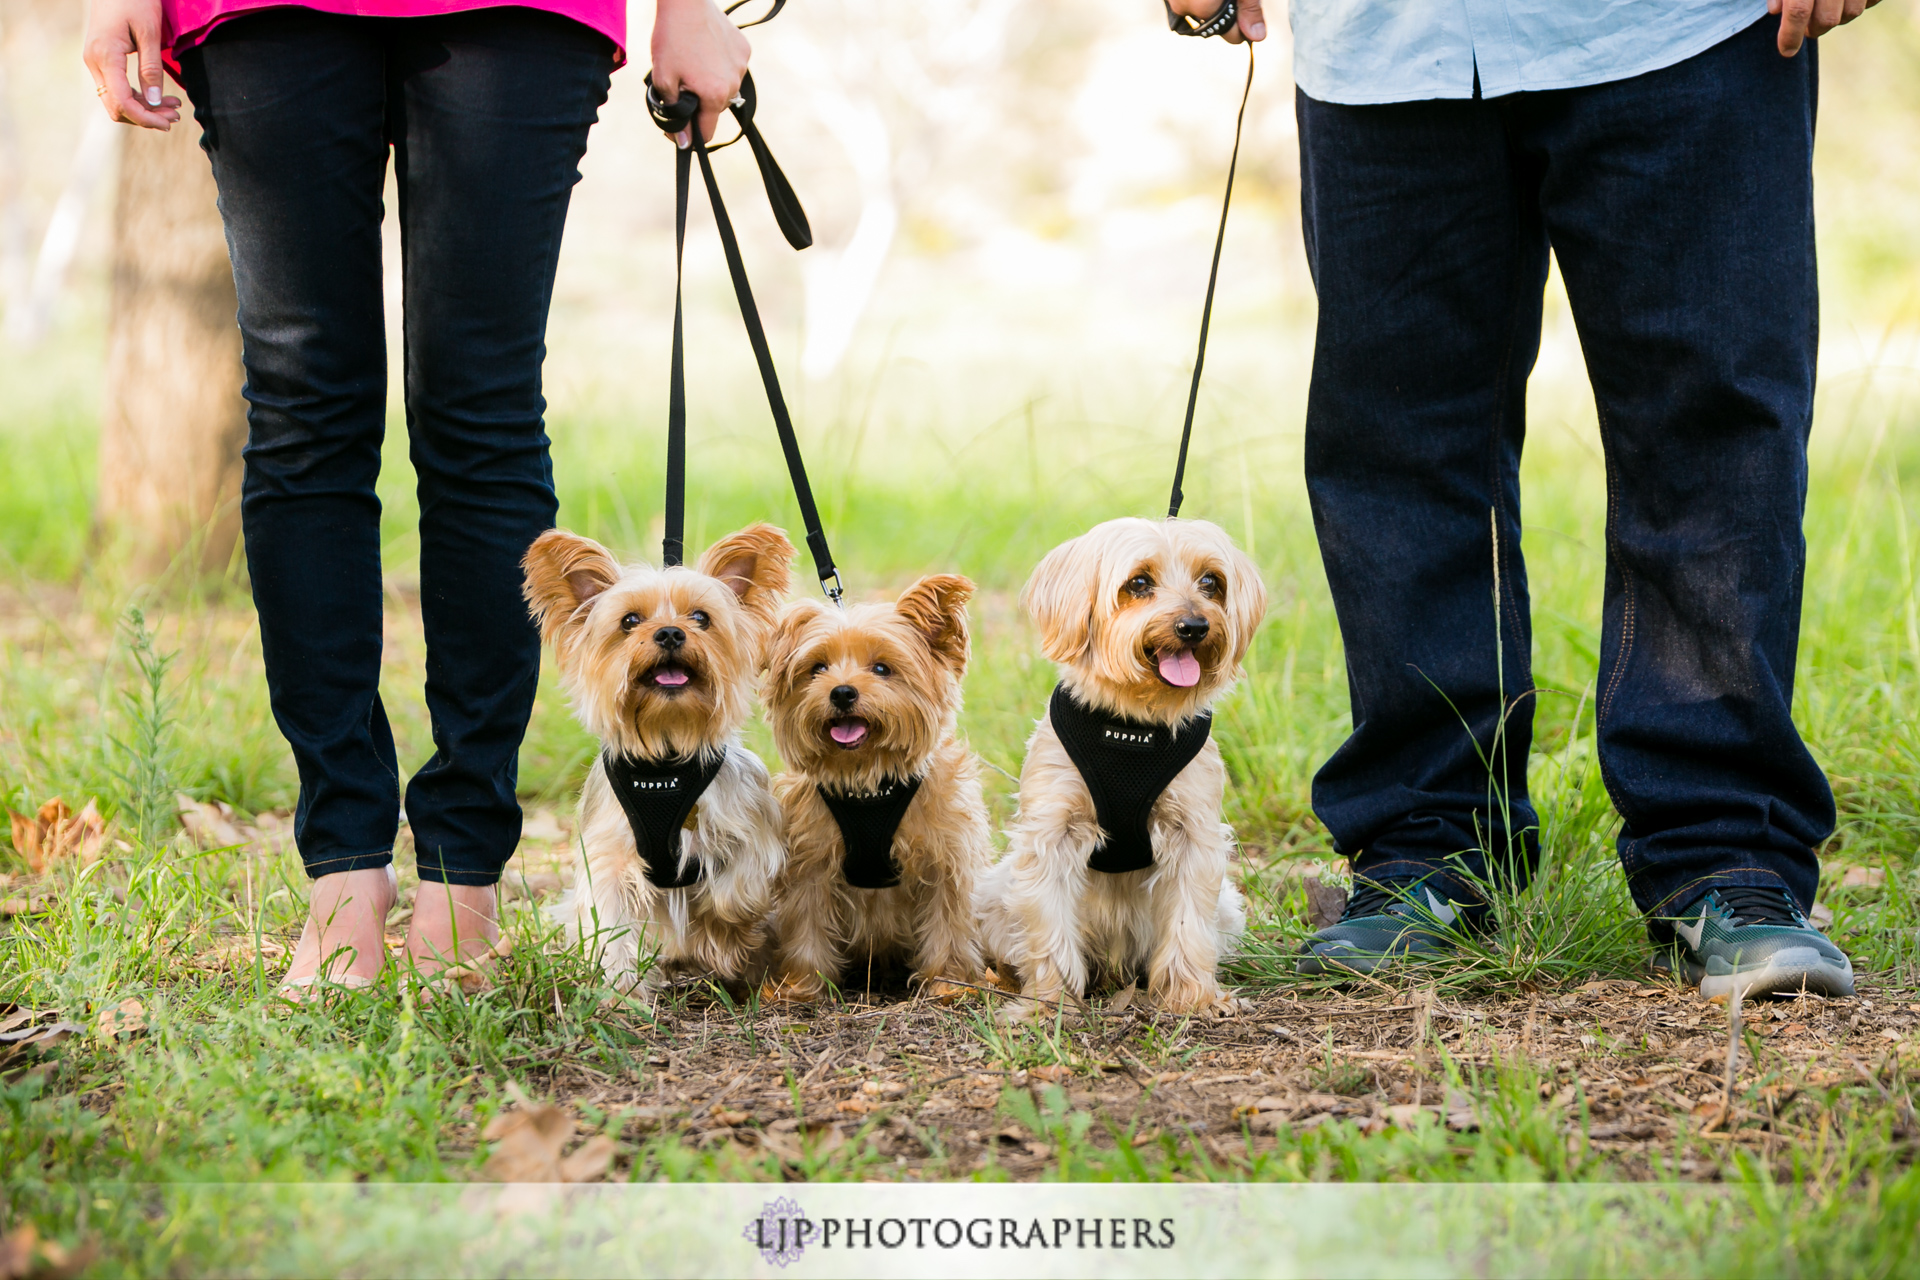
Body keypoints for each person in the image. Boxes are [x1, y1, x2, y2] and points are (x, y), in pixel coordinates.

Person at [1167, 0, 1877, 996]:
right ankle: (1427, 848)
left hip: (1683, 29)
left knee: (1711, 437)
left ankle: (1729, 859)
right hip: (1385, 44)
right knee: (1397, 446)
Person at [81, 0, 749, 990]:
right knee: (303, 408)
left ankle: (462, 876)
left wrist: (687, 9)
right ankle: (343, 870)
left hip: (520, 18)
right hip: (263, 15)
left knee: (483, 411)